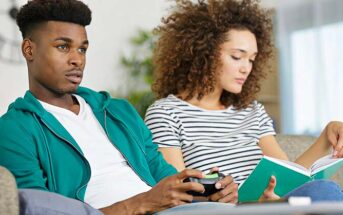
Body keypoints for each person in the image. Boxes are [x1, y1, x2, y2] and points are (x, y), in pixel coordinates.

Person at [0, 0, 238, 214]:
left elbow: (164, 176)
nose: (77, 59)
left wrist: (207, 191)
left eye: (82, 49)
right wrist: (140, 204)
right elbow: (39, 208)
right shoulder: (14, 129)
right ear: (29, 49)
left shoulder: (118, 111)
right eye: (63, 46)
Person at [145, 0, 343, 201]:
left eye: (251, 59)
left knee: (323, 189)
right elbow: (174, 193)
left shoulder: (253, 111)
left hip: (267, 208)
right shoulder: (165, 113)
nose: (246, 68)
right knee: (324, 192)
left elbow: (290, 175)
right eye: (237, 56)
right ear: (204, 53)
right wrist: (220, 197)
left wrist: (326, 136)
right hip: (217, 211)